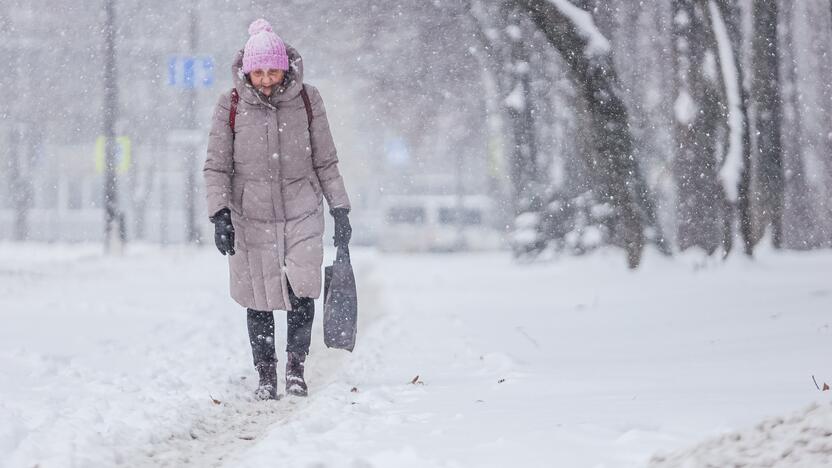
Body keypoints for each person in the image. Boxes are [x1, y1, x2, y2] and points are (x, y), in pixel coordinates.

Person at [203, 19, 352, 400]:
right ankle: (266, 375)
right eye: (259, 72)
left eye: (273, 71)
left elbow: (326, 160)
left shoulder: (307, 100)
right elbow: (217, 166)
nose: (266, 80)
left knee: (302, 289)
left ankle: (296, 369)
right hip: (249, 214)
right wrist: (220, 214)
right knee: (258, 295)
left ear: (285, 67)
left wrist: (340, 209)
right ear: (246, 70)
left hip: (302, 207)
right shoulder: (230, 105)